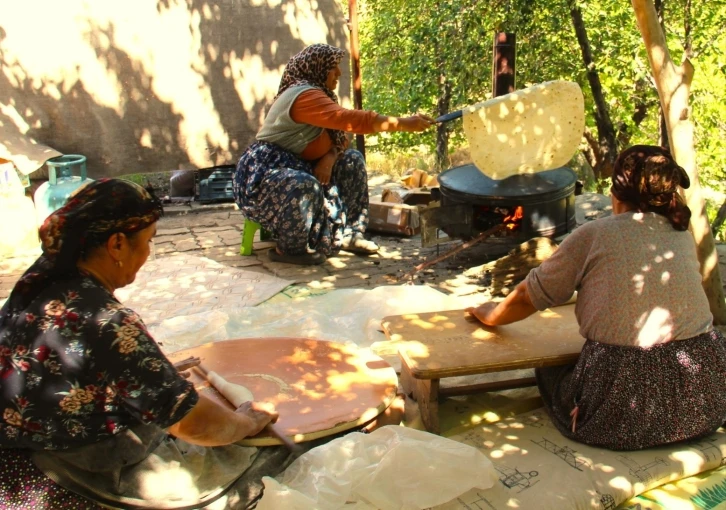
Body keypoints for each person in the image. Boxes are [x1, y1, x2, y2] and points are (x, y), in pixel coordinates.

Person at [0, 179, 282, 509]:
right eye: (148, 242)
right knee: (261, 461)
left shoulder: (40, 277)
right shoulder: (107, 322)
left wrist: (147, 375)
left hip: (16, 458)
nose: (148, 253)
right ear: (117, 244)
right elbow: (193, 422)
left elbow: (67, 362)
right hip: (74, 471)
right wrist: (246, 421)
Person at [467, 145, 726, 451]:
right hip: (706, 396)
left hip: (624, 415)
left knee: (551, 369)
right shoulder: (680, 233)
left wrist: (491, 314)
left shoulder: (595, 234)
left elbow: (527, 296)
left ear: (616, 193)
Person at [233, 43, 434, 265]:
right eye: (333, 67)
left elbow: (341, 136)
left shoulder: (323, 95)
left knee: (352, 160)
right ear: (317, 68)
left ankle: (351, 234)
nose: (338, 73)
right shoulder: (303, 95)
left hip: (304, 165)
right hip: (268, 174)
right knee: (303, 184)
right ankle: (289, 249)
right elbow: (351, 121)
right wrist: (405, 124)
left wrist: (329, 158)